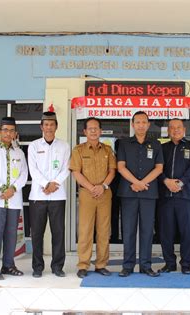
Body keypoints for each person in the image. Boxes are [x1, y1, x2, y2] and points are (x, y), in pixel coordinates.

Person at [116, 111, 164, 277]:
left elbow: (159, 168)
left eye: (144, 122)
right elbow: (121, 166)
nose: (141, 125)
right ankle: (127, 266)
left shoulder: (156, 144)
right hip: (129, 193)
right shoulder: (123, 143)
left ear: (148, 124)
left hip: (148, 194)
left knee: (147, 230)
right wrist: (135, 183)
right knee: (128, 230)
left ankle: (145, 265)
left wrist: (142, 183)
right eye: (138, 122)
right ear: (132, 124)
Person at [70, 117, 116, 278]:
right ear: (85, 132)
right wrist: (91, 188)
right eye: (90, 128)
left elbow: (112, 171)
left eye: (96, 128)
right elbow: (76, 172)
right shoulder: (78, 150)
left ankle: (101, 264)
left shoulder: (107, 150)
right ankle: (83, 265)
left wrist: (102, 186)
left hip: (104, 193)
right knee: (85, 229)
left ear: (101, 131)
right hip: (86, 193)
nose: (94, 131)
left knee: (104, 230)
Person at [0, 117, 28, 280]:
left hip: (14, 200)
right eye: (5, 130)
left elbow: (24, 174)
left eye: (11, 130)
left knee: (11, 235)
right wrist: (3, 189)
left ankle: (8, 265)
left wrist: (13, 189)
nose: (8, 133)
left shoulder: (19, 153)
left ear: (15, 133)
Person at [28, 111, 70, 278]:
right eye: (46, 125)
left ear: (56, 126)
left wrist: (54, 185)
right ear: (41, 127)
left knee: (58, 232)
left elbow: (66, 168)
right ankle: (37, 267)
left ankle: (57, 266)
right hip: (38, 196)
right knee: (37, 233)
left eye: (52, 124)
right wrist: (46, 184)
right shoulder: (34, 146)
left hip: (58, 196)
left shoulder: (64, 146)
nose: (49, 127)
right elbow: (33, 170)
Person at [157, 119, 190, 275]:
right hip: (166, 197)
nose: (175, 130)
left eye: (178, 127)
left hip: (186, 197)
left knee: (187, 231)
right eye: (172, 128)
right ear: (168, 130)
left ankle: (186, 264)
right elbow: (156, 168)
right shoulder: (162, 148)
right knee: (166, 232)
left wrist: (181, 183)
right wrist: (165, 181)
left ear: (184, 129)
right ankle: (169, 263)